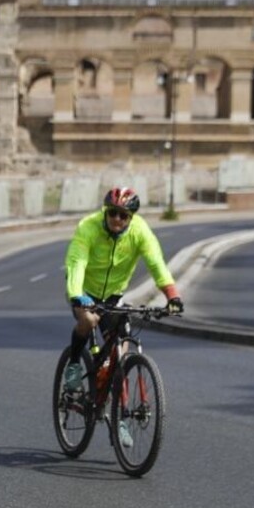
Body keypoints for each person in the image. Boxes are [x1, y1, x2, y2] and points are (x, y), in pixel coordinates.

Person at [63, 187, 183, 446]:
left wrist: (172, 295)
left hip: (113, 296)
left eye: (124, 215)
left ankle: (118, 416)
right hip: (83, 290)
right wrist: (76, 294)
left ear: (131, 217)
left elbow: (156, 263)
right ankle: (73, 364)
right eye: (113, 213)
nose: (117, 219)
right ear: (106, 211)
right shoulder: (89, 227)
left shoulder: (140, 231)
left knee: (122, 349)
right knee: (89, 320)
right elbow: (77, 262)